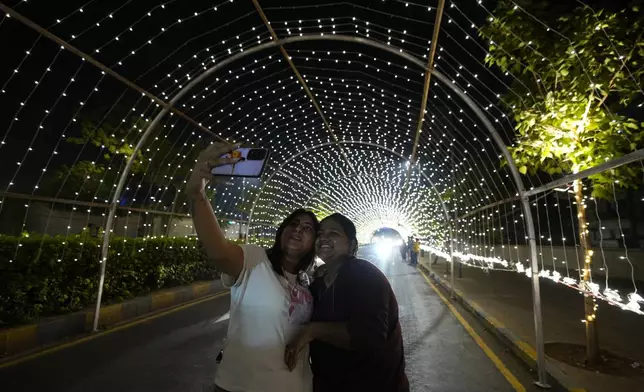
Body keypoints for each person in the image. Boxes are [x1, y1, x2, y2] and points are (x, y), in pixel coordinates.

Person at [186, 142, 319, 392]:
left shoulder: (310, 281)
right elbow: (218, 250)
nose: (298, 229)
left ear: (314, 243)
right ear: (281, 232)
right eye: (293, 224)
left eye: (308, 228)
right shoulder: (255, 260)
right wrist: (197, 194)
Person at [285, 213, 409, 392]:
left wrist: (313, 330)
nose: (324, 238)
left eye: (334, 233)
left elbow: (370, 335)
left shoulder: (364, 274)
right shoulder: (318, 285)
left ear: (352, 245)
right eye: (320, 233)